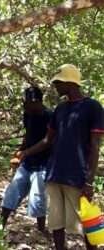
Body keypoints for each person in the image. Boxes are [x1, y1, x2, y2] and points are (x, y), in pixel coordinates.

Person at [17, 64, 104, 250]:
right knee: (56, 223)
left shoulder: (92, 107)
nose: (56, 87)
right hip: (54, 174)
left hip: (76, 176)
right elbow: (48, 140)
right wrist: (25, 153)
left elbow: (95, 145)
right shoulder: (60, 109)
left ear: (70, 82)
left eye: (58, 83)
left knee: (86, 225)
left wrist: (89, 181)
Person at [1, 87, 52, 232]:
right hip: (28, 162)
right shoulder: (28, 114)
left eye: (27, 102)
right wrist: (20, 150)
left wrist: (26, 152)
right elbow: (28, 134)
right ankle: (0, 225)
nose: (25, 105)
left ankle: (41, 230)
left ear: (35, 101)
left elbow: (48, 141)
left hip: (43, 164)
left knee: (37, 197)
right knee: (12, 191)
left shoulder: (49, 116)